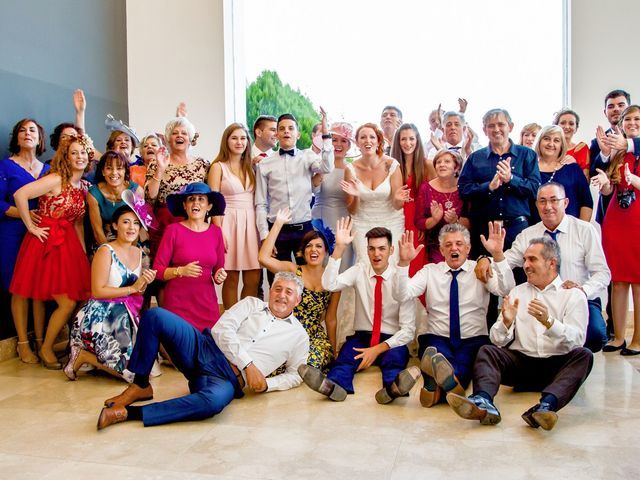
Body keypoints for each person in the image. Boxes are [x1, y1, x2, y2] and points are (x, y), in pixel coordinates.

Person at [96, 272, 309, 430]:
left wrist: (268, 384)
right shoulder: (251, 304)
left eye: (288, 292)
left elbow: (295, 374)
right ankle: (140, 385)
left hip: (226, 379)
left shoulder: (299, 336)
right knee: (155, 316)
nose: (281, 295)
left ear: (297, 300)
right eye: (277, 289)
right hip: (203, 347)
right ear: (270, 291)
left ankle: (128, 413)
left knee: (212, 403)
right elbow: (222, 329)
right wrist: (249, 364)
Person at [447, 237, 593, 431]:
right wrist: (506, 323)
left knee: (585, 355)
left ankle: (545, 407)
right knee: (487, 351)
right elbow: (497, 339)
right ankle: (483, 401)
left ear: (551, 263)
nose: (525, 265)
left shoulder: (573, 295)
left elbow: (577, 339)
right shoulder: (517, 292)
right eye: (525, 260)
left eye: (532, 260)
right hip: (522, 366)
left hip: (556, 368)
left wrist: (550, 322)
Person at [475, 182, 610, 353]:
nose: (548, 207)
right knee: (511, 335)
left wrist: (583, 290)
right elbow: (505, 260)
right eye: (542, 201)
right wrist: (486, 258)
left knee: (595, 335)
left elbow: (602, 273)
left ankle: (572, 362)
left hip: (577, 299)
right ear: (536, 204)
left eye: (554, 200)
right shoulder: (527, 234)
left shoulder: (585, 230)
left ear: (566, 203)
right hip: (539, 299)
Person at [393, 223, 514, 407]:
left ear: (468, 248)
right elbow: (402, 294)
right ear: (441, 250)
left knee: (464, 364)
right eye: (448, 245)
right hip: (438, 337)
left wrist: (498, 255)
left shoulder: (480, 269)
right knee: (435, 353)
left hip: (473, 339)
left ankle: (433, 386)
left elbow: (506, 289)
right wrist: (403, 264)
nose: (454, 248)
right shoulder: (429, 271)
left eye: (459, 243)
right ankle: (445, 384)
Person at [299, 222, 419, 405]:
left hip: (391, 341)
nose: (376, 254)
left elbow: (408, 331)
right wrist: (338, 249)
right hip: (362, 337)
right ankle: (333, 387)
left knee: (394, 361)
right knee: (344, 360)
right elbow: (329, 285)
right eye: (371, 249)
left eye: (381, 248)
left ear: (391, 250)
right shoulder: (359, 270)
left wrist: (376, 350)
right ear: (367, 250)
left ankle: (393, 389)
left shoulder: (402, 280)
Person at [10, 135, 92, 369]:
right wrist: (31, 226)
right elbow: (20, 195)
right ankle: (46, 348)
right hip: (45, 243)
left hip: (68, 246)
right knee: (65, 303)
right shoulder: (56, 179)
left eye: (83, 153)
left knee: (77, 299)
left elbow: (77, 224)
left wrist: (82, 256)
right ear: (66, 157)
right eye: (74, 152)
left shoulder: (82, 186)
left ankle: (66, 345)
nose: (79, 157)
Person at [65, 201, 157, 381]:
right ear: (115, 225)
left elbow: (136, 293)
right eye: (126, 222)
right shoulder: (105, 251)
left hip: (125, 315)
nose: (132, 227)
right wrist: (132, 288)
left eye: (136, 223)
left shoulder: (138, 252)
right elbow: (98, 291)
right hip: (101, 315)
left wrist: (144, 282)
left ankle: (99, 359)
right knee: (131, 375)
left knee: (145, 370)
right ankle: (83, 355)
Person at [255, 112, 334, 281]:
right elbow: (261, 203)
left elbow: (327, 167)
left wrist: (326, 135)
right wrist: (265, 235)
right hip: (276, 230)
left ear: (297, 134)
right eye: (281, 129)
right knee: (277, 281)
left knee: (307, 279)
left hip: (304, 230)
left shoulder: (308, 156)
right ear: (276, 134)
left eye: (291, 128)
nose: (286, 132)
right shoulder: (265, 164)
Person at [259, 208, 338, 371]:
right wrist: (278, 223)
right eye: (309, 246)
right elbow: (263, 258)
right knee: (272, 366)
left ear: (326, 251)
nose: (313, 250)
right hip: (289, 332)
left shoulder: (333, 281)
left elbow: (331, 319)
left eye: (318, 246)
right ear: (302, 252)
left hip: (315, 337)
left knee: (310, 365)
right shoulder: (293, 270)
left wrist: (334, 352)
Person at [458, 108, 541, 257]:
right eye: (491, 126)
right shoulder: (475, 158)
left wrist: (511, 179)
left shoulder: (527, 155)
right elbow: (463, 190)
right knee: (485, 277)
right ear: (484, 130)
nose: (496, 130)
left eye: (501, 125)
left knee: (520, 277)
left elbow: (535, 190)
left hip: (518, 229)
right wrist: (488, 187)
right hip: (484, 230)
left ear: (510, 127)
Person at [1, 118, 50, 363]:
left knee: (38, 288)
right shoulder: (6, 167)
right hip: (13, 233)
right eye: (22, 130)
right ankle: (22, 344)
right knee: (18, 289)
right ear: (16, 137)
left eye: (32, 130)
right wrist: (22, 214)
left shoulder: (47, 170)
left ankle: (41, 341)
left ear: (40, 138)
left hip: (41, 234)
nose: (27, 134)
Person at [592, 105, 640, 355]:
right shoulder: (618, 154)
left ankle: (638, 339)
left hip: (637, 219)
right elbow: (611, 189)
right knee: (618, 280)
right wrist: (603, 185)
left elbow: (632, 182)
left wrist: (635, 181)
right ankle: (619, 336)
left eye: (637, 118)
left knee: (638, 281)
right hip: (616, 218)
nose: (632, 122)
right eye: (627, 119)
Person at [153, 182, 226, 331]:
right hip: (178, 304)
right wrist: (180, 271)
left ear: (209, 207)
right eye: (191, 199)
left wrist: (220, 276)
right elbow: (157, 270)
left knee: (210, 349)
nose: (196, 203)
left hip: (207, 304)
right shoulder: (173, 230)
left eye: (201, 199)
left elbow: (218, 270)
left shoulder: (216, 232)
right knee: (180, 350)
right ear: (185, 205)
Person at [208, 123, 261, 308]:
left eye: (243, 138)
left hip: (252, 222)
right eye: (234, 138)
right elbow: (213, 202)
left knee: (254, 278)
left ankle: (245, 319)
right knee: (230, 278)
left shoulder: (252, 167)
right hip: (228, 221)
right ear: (226, 141)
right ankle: (230, 323)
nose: (239, 142)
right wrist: (219, 230)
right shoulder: (217, 167)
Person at [341, 123, 410, 263]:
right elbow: (352, 210)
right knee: (365, 264)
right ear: (357, 142)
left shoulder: (392, 165)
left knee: (392, 263)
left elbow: (398, 206)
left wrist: (398, 198)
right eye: (363, 137)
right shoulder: (350, 169)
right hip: (362, 223)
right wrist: (356, 196)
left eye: (372, 137)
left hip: (392, 221)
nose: (368, 141)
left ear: (378, 141)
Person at [145, 117, 209, 256]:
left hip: (195, 224)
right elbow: (150, 197)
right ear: (168, 138)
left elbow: (209, 197)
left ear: (190, 139)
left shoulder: (203, 164)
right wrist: (160, 170)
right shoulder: (156, 163)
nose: (179, 135)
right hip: (165, 224)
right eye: (175, 133)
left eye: (184, 133)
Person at [311, 122, 355, 271]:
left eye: (343, 141)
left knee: (341, 268)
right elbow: (312, 190)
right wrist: (324, 167)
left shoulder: (352, 169)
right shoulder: (317, 164)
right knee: (318, 267)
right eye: (334, 140)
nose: (338, 144)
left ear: (349, 145)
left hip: (342, 222)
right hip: (318, 220)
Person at [414, 149, 469, 263]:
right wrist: (434, 219)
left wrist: (455, 221)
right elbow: (419, 221)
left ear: (457, 167)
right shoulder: (426, 188)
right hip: (436, 245)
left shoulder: (465, 188)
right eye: (438, 162)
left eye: (447, 162)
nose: (442, 165)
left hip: (460, 244)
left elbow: (471, 221)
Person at [390, 123, 430, 275]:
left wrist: (424, 224)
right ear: (398, 142)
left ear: (417, 140)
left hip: (418, 218)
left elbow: (433, 196)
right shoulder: (392, 165)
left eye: (411, 139)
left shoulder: (427, 165)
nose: (408, 143)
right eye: (403, 139)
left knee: (417, 261)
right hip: (398, 216)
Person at [531, 125, 592, 223]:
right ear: (539, 142)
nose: (551, 144)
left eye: (556, 140)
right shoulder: (529, 169)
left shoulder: (572, 168)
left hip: (570, 232)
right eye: (546, 139)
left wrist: (581, 231)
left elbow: (586, 202)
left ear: (562, 145)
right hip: (535, 231)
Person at [87, 150, 144, 249]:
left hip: (133, 238)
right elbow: (97, 230)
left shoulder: (136, 191)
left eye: (119, 168)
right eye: (109, 168)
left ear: (125, 171)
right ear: (103, 172)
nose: (114, 173)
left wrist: (129, 251)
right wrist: (111, 254)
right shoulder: (93, 194)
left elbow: (137, 226)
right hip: (105, 239)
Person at [553, 109, 590, 176]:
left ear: (576, 128)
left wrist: (574, 166)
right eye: (562, 123)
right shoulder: (549, 148)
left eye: (571, 124)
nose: (567, 127)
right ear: (556, 126)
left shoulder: (582, 148)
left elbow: (585, 182)